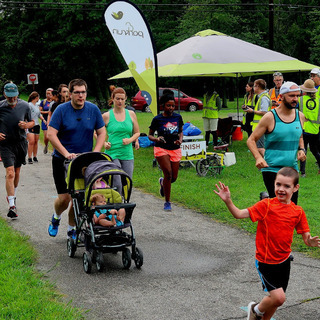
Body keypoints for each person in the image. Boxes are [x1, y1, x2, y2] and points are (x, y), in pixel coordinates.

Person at [214, 167, 320, 320]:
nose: (281, 189)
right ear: (274, 184)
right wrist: (228, 201)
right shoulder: (266, 205)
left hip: (284, 261)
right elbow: (238, 214)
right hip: (265, 261)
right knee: (279, 298)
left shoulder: (298, 211)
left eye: (286, 186)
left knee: (276, 302)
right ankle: (255, 309)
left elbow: (306, 237)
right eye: (278, 185)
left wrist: (310, 241)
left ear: (295, 188)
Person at [47, 79, 106, 239]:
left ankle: (71, 229)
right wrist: (66, 153)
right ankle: (56, 217)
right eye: (77, 92)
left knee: (79, 197)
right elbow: (51, 134)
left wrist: (96, 152)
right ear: (70, 94)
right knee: (65, 199)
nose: (81, 95)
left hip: (84, 161)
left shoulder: (93, 110)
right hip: (62, 160)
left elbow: (101, 132)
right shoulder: (61, 110)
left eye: (83, 92)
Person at [247, 81, 307, 204]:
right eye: (291, 96)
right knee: (278, 208)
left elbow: (299, 135)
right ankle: (267, 198)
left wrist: (301, 149)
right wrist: (258, 158)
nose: (295, 99)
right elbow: (251, 140)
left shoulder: (300, 116)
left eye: (297, 96)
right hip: (272, 169)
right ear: (281, 97)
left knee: (292, 207)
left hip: (292, 170)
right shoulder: (270, 117)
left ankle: (266, 198)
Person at [0, 83, 35, 218]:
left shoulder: (25, 106)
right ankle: (12, 205)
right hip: (5, 144)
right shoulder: (1, 106)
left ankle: (12, 195)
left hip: (20, 143)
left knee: (17, 171)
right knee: (10, 173)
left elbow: (32, 122)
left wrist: (26, 125)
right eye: (9, 97)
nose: (12, 99)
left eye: (14, 96)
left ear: (17, 94)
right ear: (4, 95)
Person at [148, 89, 184, 211]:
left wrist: (180, 140)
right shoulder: (157, 119)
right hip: (161, 148)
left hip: (175, 148)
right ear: (163, 106)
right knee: (168, 173)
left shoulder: (178, 117)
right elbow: (150, 135)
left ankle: (163, 183)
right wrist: (157, 139)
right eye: (168, 105)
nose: (171, 108)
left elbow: (180, 131)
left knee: (173, 178)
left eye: (173, 106)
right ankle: (167, 202)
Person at [102, 87, 140, 193]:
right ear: (113, 98)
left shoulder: (131, 114)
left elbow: (137, 132)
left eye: (122, 99)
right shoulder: (106, 115)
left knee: (127, 183)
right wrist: (104, 143)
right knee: (117, 183)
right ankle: (116, 206)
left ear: (126, 99)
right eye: (117, 99)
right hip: (112, 152)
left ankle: (124, 207)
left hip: (127, 153)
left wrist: (130, 140)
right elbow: (96, 132)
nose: (120, 101)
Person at [244, 79, 272, 156]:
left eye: (254, 86)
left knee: (260, 148)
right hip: (260, 126)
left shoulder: (263, 98)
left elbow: (264, 112)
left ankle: (266, 164)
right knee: (260, 147)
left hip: (262, 127)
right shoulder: (261, 97)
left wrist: (252, 111)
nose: (253, 88)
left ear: (258, 87)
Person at [298, 79, 320, 177]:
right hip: (315, 129)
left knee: (303, 149)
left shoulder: (301, 99)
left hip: (304, 128)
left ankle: (303, 172)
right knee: (314, 150)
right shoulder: (319, 101)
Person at [27, 91, 46, 164]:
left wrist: (43, 119)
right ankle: (29, 157)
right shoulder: (29, 105)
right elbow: (26, 114)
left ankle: (35, 156)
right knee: (31, 141)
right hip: (31, 124)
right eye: (38, 97)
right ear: (36, 97)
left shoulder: (36, 106)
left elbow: (39, 114)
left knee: (35, 141)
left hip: (37, 125)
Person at [202, 83, 222, 148]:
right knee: (207, 131)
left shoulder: (216, 96)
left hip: (213, 116)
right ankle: (206, 144)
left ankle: (215, 144)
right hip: (205, 115)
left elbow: (219, 107)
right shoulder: (205, 95)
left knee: (214, 131)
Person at [39, 87, 53, 154]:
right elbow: (40, 111)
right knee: (46, 136)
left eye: (49, 94)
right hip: (44, 120)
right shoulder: (43, 102)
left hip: (52, 120)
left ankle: (54, 150)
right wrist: (48, 112)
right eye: (47, 94)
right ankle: (46, 145)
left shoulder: (54, 102)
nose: (48, 95)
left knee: (53, 136)